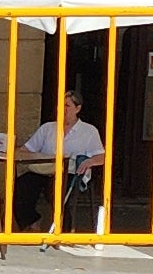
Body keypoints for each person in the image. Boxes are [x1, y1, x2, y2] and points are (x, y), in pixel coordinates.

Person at [13, 88, 106, 239]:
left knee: (57, 192)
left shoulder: (89, 131)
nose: (62, 109)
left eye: (67, 106)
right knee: (20, 187)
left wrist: (89, 161)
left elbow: (102, 157)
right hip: (44, 170)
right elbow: (26, 149)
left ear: (78, 108)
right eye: (60, 105)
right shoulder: (48, 128)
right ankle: (31, 222)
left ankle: (64, 231)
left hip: (69, 173)